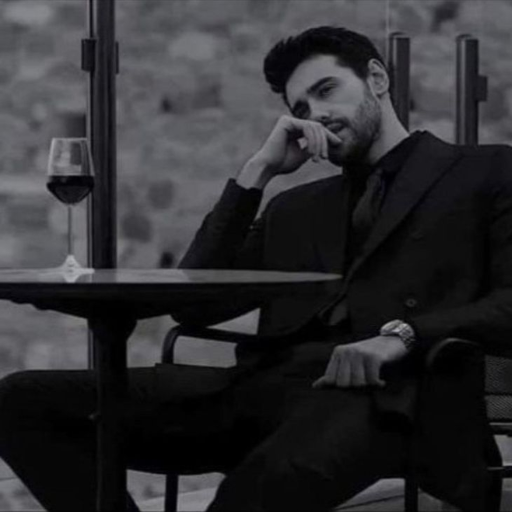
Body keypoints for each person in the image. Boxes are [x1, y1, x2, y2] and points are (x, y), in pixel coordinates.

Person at [0, 25, 509, 511]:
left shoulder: (484, 172)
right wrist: (255, 175)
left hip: (389, 398)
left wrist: (401, 335)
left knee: (256, 495)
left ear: (377, 79)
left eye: (328, 89)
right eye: (303, 107)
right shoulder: (297, 207)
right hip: (256, 391)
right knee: (18, 401)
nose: (319, 113)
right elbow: (195, 303)